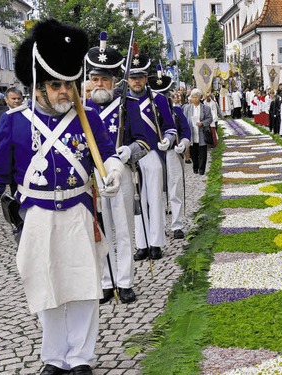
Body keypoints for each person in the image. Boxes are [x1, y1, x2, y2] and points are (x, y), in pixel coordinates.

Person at [0, 20, 124, 375]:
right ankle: (54, 357)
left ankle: (81, 357)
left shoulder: (87, 116)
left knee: (83, 285)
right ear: (38, 85)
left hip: (78, 209)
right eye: (55, 84)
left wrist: (115, 173)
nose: (65, 91)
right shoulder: (13, 121)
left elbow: (107, 155)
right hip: (37, 215)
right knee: (45, 285)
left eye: (69, 84)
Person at [86, 34, 150, 305]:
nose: (99, 84)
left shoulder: (129, 105)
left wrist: (129, 151)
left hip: (121, 175)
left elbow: (145, 142)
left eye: (105, 79)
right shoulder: (81, 109)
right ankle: (104, 281)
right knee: (98, 233)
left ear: (114, 81)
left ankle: (124, 281)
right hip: (91, 179)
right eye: (95, 79)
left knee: (123, 230)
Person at [125, 48, 178, 262]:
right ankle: (141, 244)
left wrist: (167, 140)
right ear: (127, 79)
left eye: (140, 77)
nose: (136, 81)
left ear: (146, 78)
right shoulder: (123, 102)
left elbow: (171, 128)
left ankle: (156, 243)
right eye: (132, 77)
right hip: (131, 157)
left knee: (154, 199)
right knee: (137, 202)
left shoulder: (159, 100)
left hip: (154, 154)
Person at [148, 70, 190, 241]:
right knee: (155, 191)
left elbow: (186, 131)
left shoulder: (176, 112)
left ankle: (177, 225)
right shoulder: (147, 111)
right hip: (154, 153)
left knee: (175, 189)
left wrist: (183, 144)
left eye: (165, 94)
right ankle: (158, 227)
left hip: (172, 152)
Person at [183, 89, 213, 175]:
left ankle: (201, 169)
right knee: (194, 152)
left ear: (200, 98)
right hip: (192, 133)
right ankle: (195, 167)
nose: (195, 99)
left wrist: (202, 123)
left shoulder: (205, 108)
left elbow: (210, 118)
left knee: (203, 153)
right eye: (193, 97)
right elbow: (184, 119)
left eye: (196, 97)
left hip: (201, 132)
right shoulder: (187, 108)